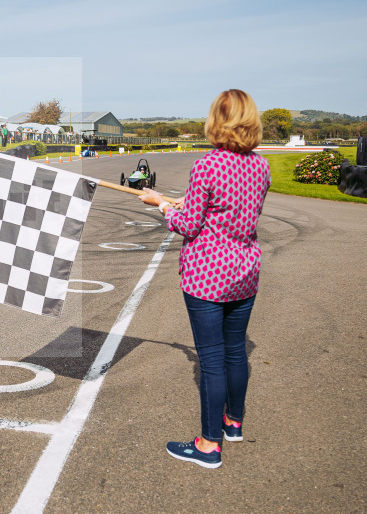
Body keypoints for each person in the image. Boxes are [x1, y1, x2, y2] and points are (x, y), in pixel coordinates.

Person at [139, 89, 270, 469]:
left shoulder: (207, 166)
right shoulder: (261, 167)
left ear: (218, 120)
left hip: (209, 276)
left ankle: (209, 445)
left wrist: (162, 205)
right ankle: (233, 422)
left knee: (211, 360)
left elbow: (189, 225)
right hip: (244, 271)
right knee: (235, 352)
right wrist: (180, 200)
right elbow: (230, 209)